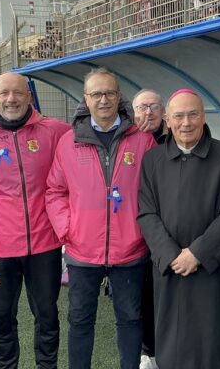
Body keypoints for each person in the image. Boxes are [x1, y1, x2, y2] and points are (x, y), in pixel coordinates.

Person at [46, 67, 156, 369]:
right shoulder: (69, 142)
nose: (104, 99)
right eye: (96, 94)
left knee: (131, 318)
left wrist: (141, 231)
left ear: (119, 96)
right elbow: (55, 190)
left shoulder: (142, 141)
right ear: (86, 99)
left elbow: (156, 190)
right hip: (83, 251)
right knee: (80, 319)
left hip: (130, 250)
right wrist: (67, 230)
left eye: (109, 93)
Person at [138, 89, 220, 369]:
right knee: (175, 344)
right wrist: (171, 254)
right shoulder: (152, 160)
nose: (186, 122)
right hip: (171, 267)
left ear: (203, 116)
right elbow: (147, 212)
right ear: (168, 119)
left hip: (215, 267)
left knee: (218, 343)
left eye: (193, 114)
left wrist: (197, 253)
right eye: (179, 116)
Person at [0, 72, 70, 369]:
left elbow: (89, 135)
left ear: (29, 96)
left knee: (47, 315)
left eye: (17, 93)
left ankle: (46, 366)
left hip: (45, 243)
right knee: (0, 317)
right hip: (0, 245)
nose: (11, 99)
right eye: (4, 94)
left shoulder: (55, 131)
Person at [131, 88, 166, 369]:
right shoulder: (128, 141)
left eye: (153, 107)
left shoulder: (177, 136)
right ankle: (147, 351)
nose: (148, 113)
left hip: (170, 231)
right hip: (136, 234)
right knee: (141, 294)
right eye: (142, 107)